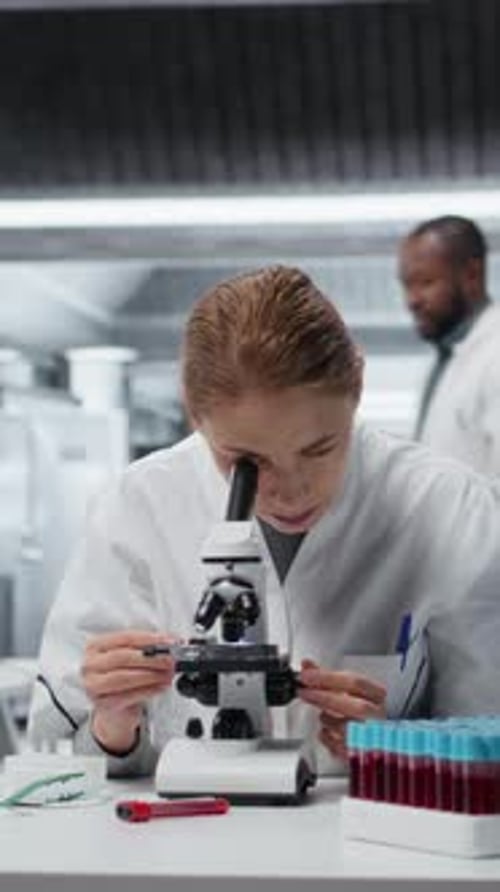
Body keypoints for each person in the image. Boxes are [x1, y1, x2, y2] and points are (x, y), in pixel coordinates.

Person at [29, 265, 500, 778]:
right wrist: (112, 724)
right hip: (181, 849)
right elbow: (56, 760)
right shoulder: (139, 505)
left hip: (376, 848)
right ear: (194, 413)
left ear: (358, 385)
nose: (292, 491)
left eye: (320, 449)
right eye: (247, 463)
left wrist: (398, 748)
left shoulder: (451, 508)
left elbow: (488, 733)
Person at [399, 215, 500, 474]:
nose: (411, 300)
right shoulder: (447, 360)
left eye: (424, 282)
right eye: (406, 286)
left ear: (472, 275)